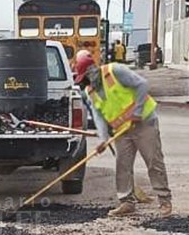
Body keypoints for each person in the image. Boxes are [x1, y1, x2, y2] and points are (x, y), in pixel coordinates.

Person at [72, 51, 173, 218]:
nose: (85, 82)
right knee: (123, 166)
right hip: (121, 130)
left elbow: (142, 84)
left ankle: (164, 200)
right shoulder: (91, 92)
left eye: (85, 77)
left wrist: (137, 112)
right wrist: (103, 140)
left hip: (143, 123)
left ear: (92, 71)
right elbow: (99, 117)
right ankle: (126, 202)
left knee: (153, 162)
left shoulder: (115, 71)